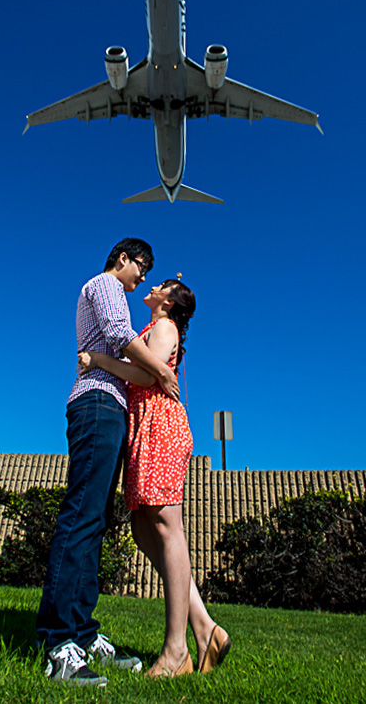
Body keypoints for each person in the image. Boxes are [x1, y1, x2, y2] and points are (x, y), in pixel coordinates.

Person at [36, 238, 179, 687]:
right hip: (96, 402)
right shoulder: (104, 285)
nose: (142, 278)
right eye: (142, 267)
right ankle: (59, 643)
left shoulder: (116, 291)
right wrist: (163, 370)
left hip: (111, 405)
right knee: (81, 516)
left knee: (94, 521)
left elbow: (120, 355)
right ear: (123, 259)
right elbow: (120, 336)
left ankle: (82, 631)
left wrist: (146, 369)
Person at [79, 277, 231, 678]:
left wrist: (96, 359)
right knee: (144, 529)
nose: (153, 285)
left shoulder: (165, 327)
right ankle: (205, 627)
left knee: (166, 527)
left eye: (161, 285)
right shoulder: (155, 328)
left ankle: (176, 649)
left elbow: (146, 377)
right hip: (144, 426)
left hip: (160, 425)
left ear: (169, 301)